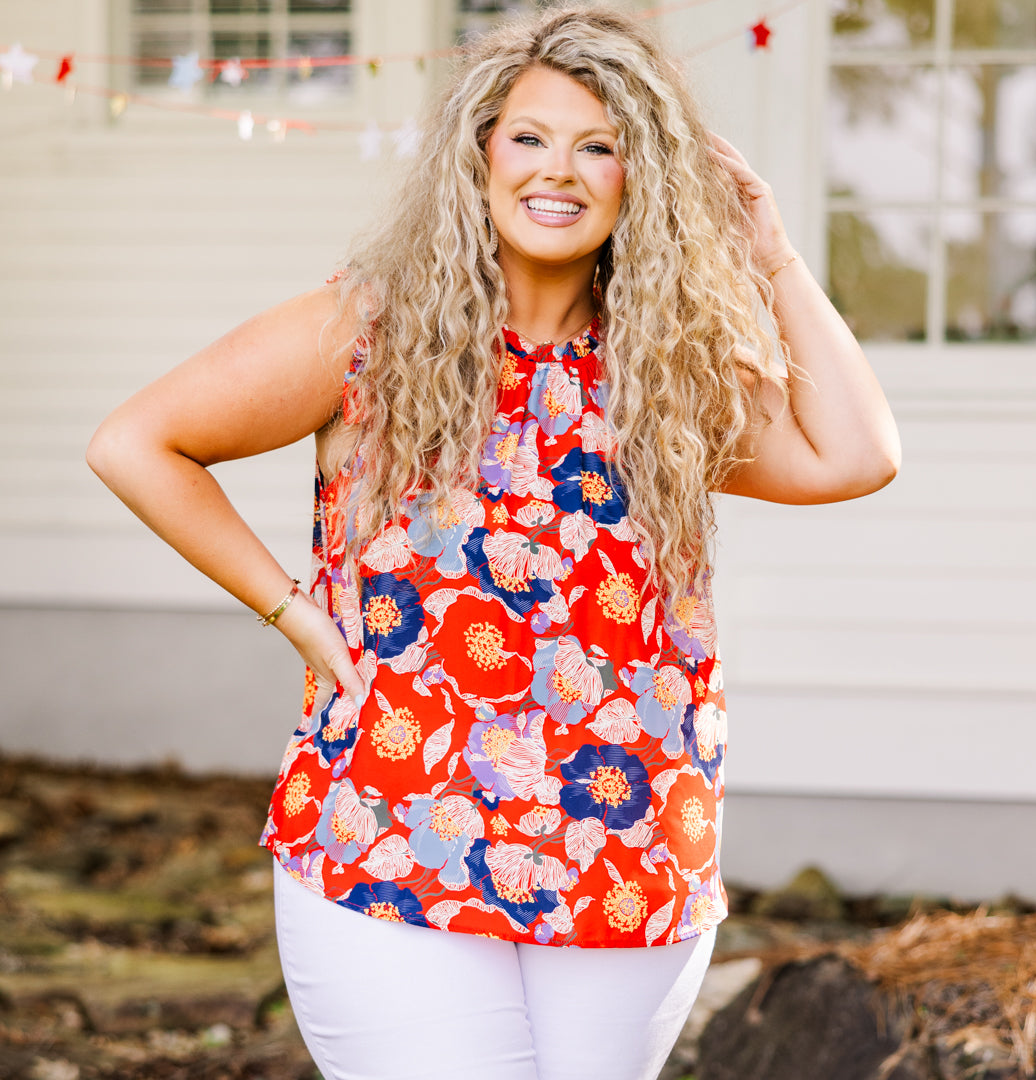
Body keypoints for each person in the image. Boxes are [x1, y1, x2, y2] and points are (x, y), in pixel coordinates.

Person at [87, 6, 900, 1079]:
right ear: (480, 157)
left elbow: (856, 457)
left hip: (629, 853)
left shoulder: (666, 372)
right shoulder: (367, 332)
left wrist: (777, 258)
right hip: (390, 839)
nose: (558, 170)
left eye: (598, 146)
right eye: (529, 137)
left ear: (637, 179)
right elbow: (137, 443)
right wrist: (291, 611)